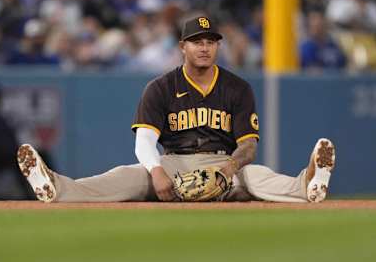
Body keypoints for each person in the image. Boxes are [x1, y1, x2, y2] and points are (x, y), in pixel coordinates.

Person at [17, 16, 336, 203]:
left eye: (211, 41)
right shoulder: (160, 87)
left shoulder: (237, 88)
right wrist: (156, 171)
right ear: (183, 47)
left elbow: (248, 145)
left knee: (255, 176)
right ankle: (55, 187)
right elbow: (144, 140)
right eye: (197, 41)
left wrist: (228, 168)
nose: (204, 47)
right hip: (172, 163)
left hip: (223, 162)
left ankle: (306, 184)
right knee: (126, 177)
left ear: (218, 46)